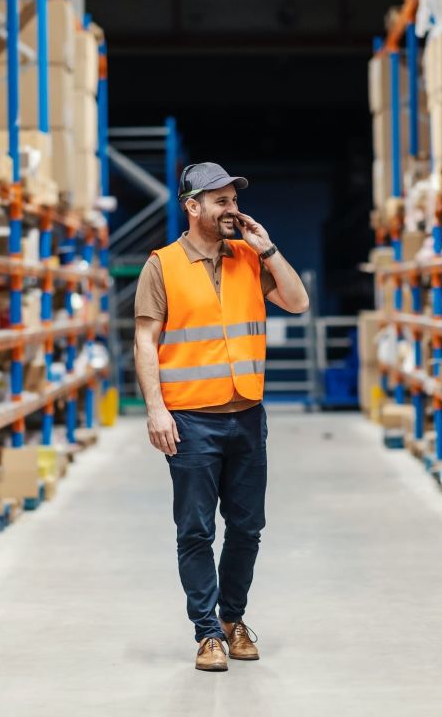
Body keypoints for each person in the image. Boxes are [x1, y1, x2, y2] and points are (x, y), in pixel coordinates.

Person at [133, 162, 310, 672]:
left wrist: (268, 248)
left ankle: (233, 619)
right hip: (191, 420)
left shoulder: (249, 258)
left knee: (248, 528)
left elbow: (297, 302)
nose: (232, 209)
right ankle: (207, 632)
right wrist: (156, 410)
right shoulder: (162, 265)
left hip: (247, 414)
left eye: (234, 200)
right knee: (195, 531)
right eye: (221, 202)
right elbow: (145, 341)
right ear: (193, 207)